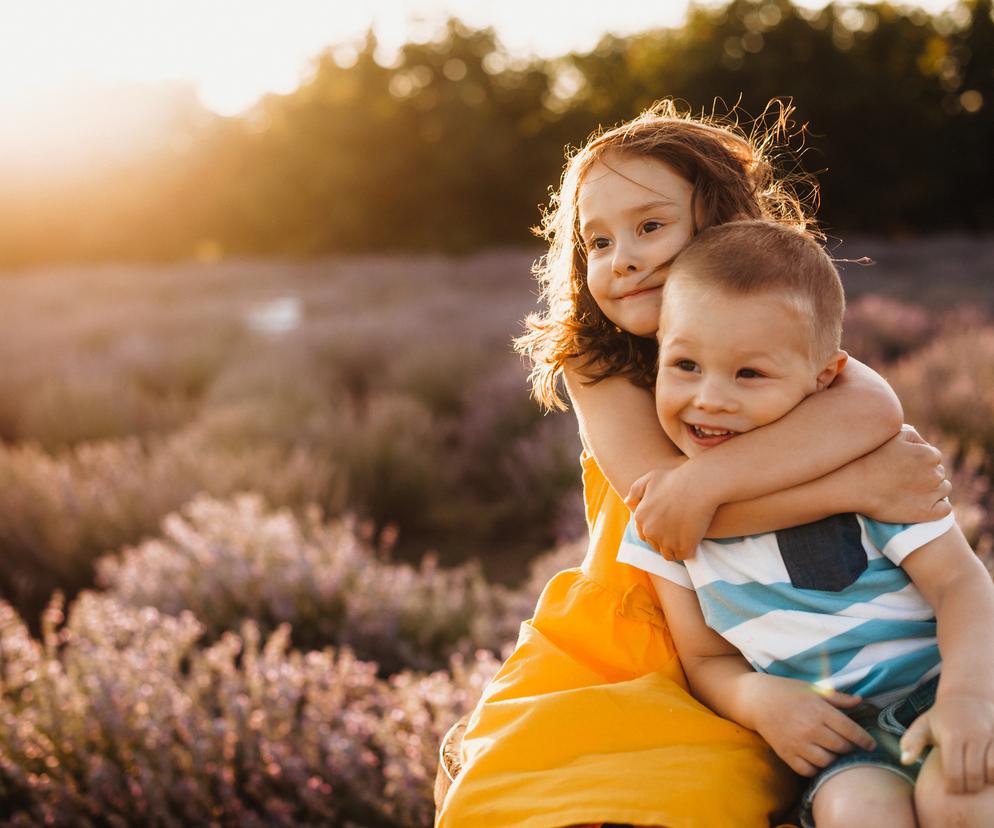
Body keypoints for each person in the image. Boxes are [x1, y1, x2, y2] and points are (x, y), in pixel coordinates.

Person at [434, 101, 951, 827]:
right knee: (524, 792)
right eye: (599, 242)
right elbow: (672, 517)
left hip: (760, 630)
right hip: (635, 636)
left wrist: (716, 484)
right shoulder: (598, 366)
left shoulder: (770, 345)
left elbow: (873, 411)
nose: (626, 258)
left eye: (650, 226)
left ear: (722, 228)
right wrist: (854, 483)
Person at [618, 219, 994, 828]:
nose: (710, 398)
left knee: (961, 795)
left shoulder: (870, 464)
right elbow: (706, 658)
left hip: (943, 685)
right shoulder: (662, 518)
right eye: (685, 364)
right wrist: (760, 699)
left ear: (824, 378)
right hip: (840, 737)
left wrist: (969, 700)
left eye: (750, 374)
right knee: (856, 812)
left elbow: (962, 586)